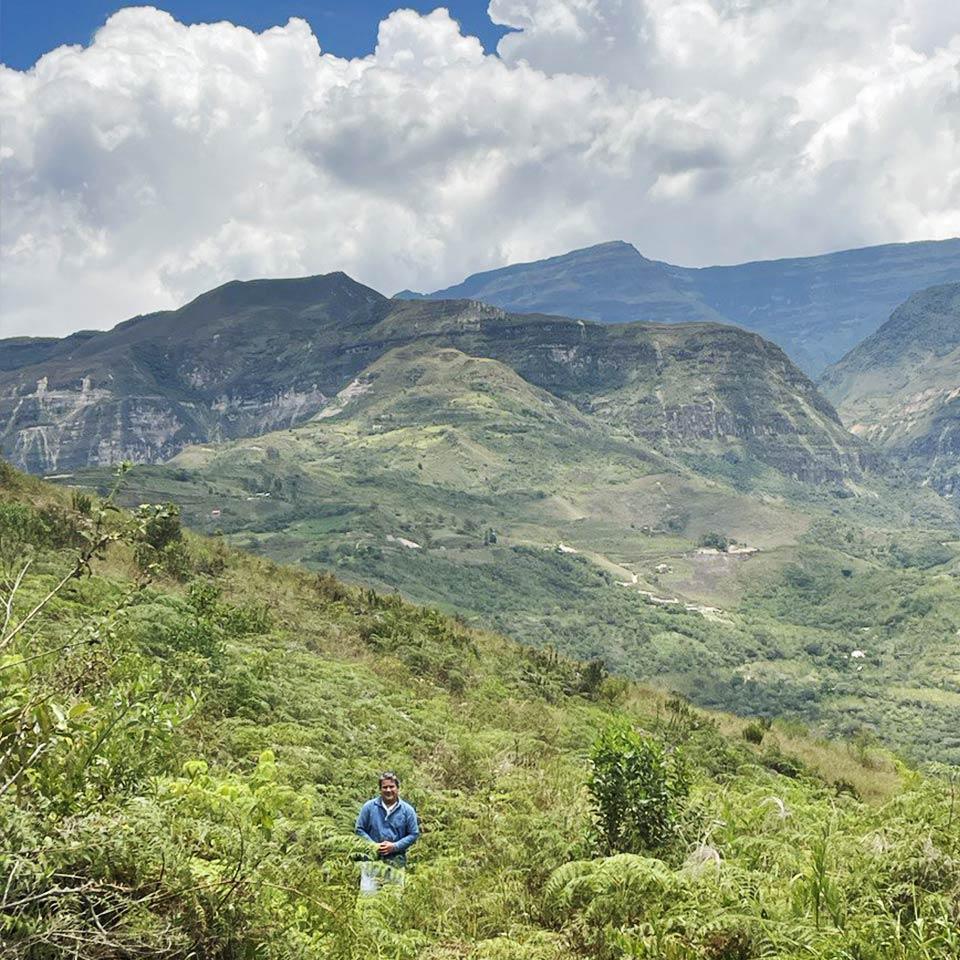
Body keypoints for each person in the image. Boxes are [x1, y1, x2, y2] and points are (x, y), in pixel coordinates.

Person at [355, 771, 420, 893]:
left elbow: (413, 834)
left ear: (397, 788)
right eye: (385, 787)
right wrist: (373, 845)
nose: (388, 790)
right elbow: (359, 829)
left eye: (391, 786)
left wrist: (395, 846)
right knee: (368, 899)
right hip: (371, 863)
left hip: (396, 864)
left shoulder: (408, 810)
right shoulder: (369, 807)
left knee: (393, 899)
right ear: (380, 789)